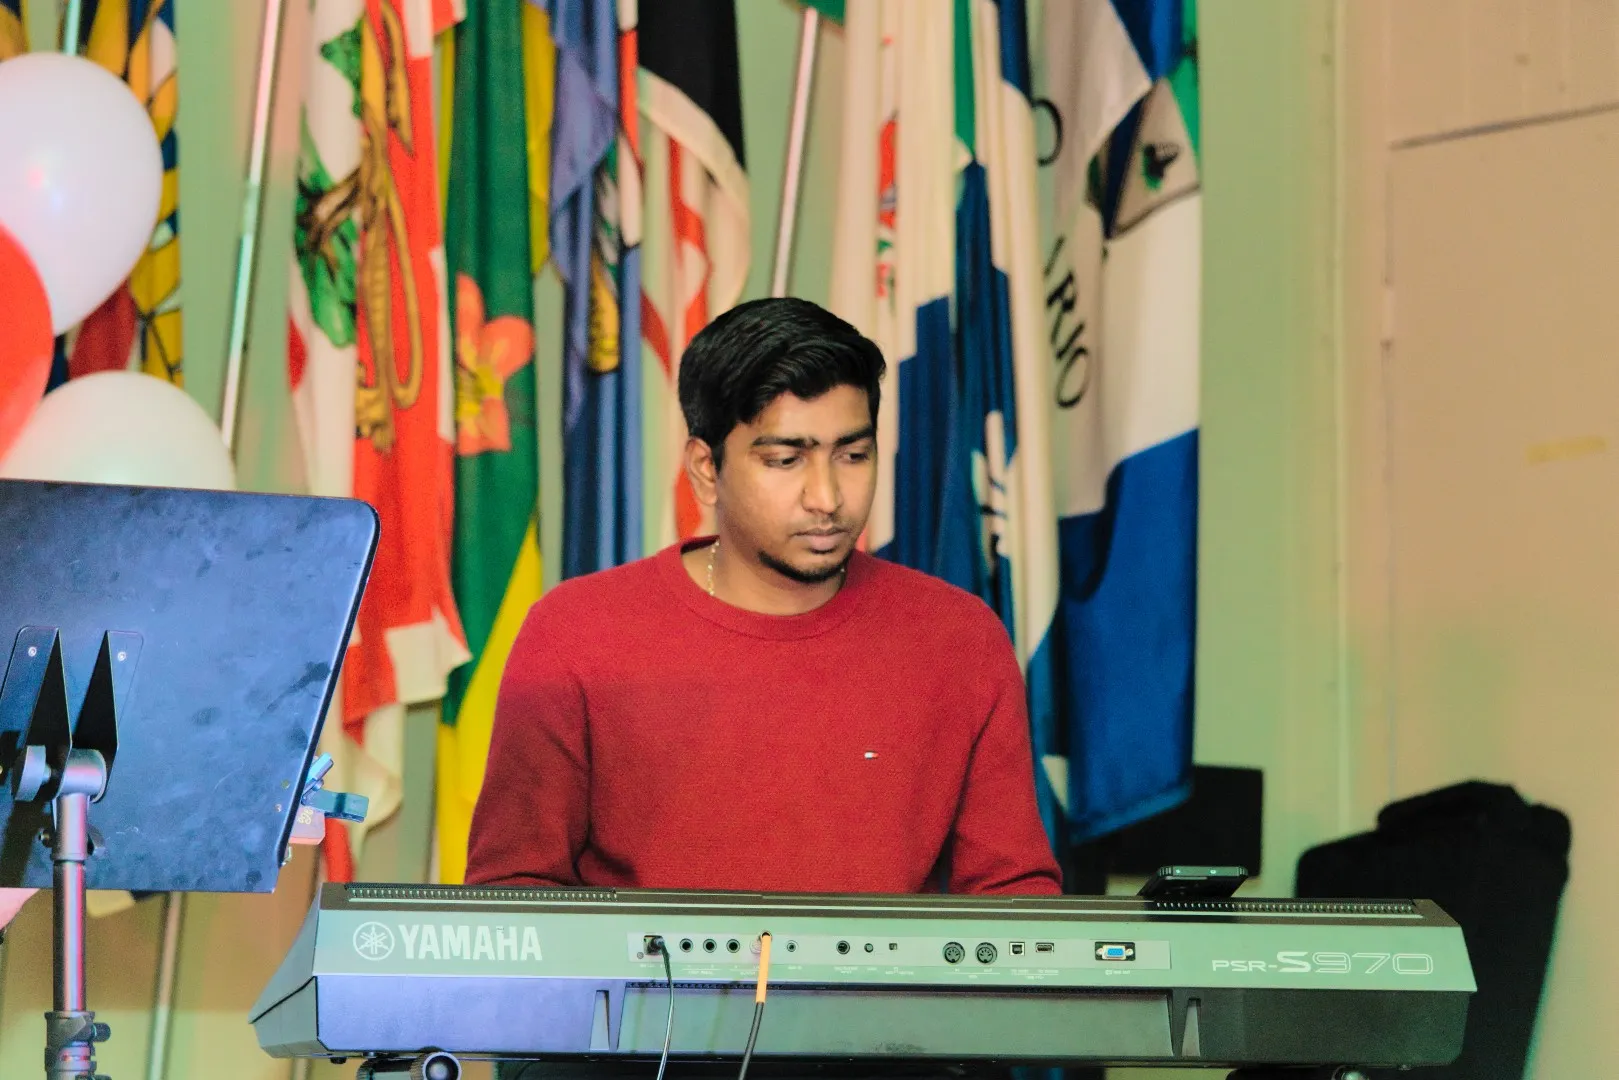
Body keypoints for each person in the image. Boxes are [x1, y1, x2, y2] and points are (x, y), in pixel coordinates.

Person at [466, 297, 1060, 898]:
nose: (827, 497)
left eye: (853, 455)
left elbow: (1014, 898)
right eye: (785, 459)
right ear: (706, 469)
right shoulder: (575, 634)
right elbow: (513, 899)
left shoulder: (958, 638)